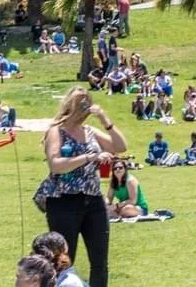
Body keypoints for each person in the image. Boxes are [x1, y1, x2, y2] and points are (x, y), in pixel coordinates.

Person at [39, 87, 126, 287]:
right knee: (63, 261)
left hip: (93, 200)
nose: (84, 108)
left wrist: (105, 120)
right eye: (81, 103)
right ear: (70, 105)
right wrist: (90, 157)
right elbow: (56, 165)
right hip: (64, 201)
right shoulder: (56, 131)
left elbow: (120, 147)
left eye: (87, 103)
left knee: (99, 262)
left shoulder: (90, 131)